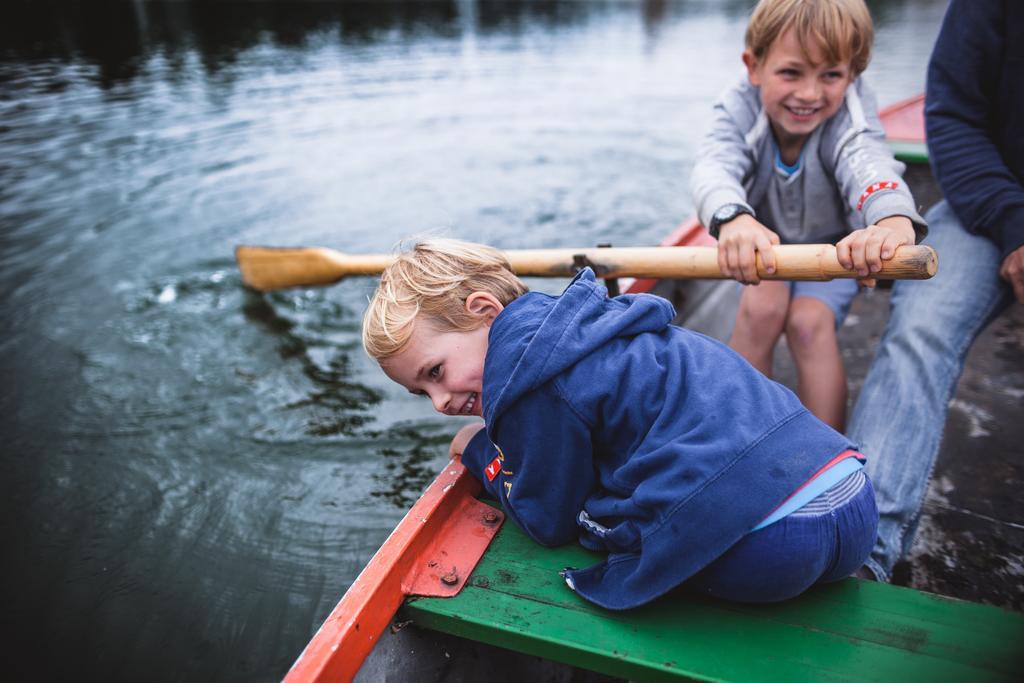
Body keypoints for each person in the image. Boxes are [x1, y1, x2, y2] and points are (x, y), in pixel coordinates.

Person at [361, 238, 878, 610]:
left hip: (770, 549)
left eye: (435, 372)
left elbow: (546, 519)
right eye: (420, 391)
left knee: (606, 529)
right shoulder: (598, 322)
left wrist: (481, 451)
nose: (439, 402)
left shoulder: (528, 381)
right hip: (852, 500)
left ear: (484, 310)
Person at [848, 0, 1024, 583]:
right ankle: (860, 547)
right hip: (991, 206)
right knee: (920, 328)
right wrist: (1015, 227)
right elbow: (953, 119)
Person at [690, 0, 926, 431]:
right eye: (791, 72)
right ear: (754, 66)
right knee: (760, 309)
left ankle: (827, 459)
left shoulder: (850, 114)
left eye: (831, 75)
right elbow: (714, 166)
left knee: (808, 324)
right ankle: (740, 439)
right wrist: (733, 218)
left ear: (851, 74)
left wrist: (891, 218)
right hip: (763, 245)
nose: (810, 94)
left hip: (834, 250)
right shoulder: (738, 109)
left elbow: (867, 162)